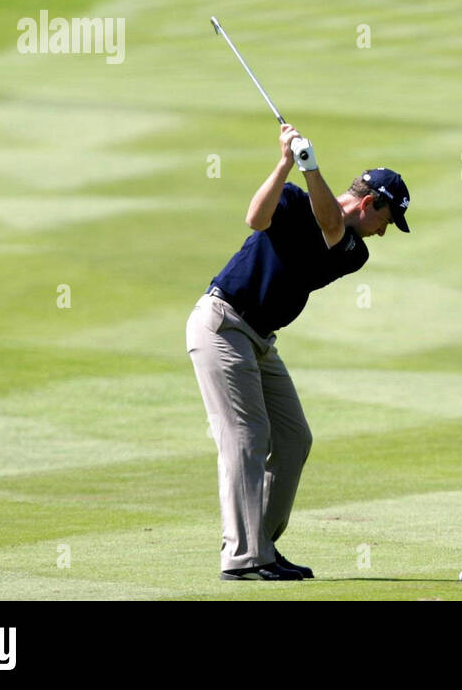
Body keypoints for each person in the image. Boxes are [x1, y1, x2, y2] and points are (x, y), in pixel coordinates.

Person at [186, 123, 411, 581]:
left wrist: (313, 168)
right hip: (223, 325)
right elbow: (255, 218)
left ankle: (261, 544)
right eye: (386, 222)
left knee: (292, 439)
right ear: (372, 204)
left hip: (261, 341)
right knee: (246, 438)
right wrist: (287, 162)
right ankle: (244, 557)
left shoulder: (353, 251)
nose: (384, 233)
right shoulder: (288, 199)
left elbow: (331, 225)